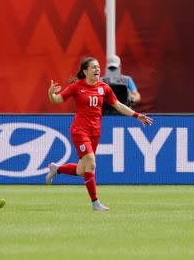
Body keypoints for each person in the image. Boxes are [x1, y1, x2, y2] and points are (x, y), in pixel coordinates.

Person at [46, 57, 153, 211]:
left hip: (95, 133)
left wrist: (136, 115)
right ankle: (95, 203)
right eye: (93, 67)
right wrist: (51, 94)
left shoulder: (104, 88)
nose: (97, 70)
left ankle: (57, 169)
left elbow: (118, 105)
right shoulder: (77, 86)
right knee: (92, 163)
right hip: (79, 130)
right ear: (85, 71)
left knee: (82, 170)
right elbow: (56, 100)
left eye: (98, 67)